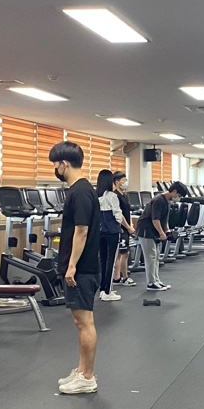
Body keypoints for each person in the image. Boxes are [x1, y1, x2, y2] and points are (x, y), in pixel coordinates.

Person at [49, 141, 102, 395]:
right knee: (80, 322)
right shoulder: (80, 189)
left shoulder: (80, 192)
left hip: (82, 268)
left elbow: (81, 231)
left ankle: (87, 377)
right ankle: (81, 371)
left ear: (64, 164)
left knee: (85, 322)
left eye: (55, 164)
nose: (55, 169)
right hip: (82, 267)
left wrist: (71, 266)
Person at [135, 182, 187, 292]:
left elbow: (164, 220)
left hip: (153, 230)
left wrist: (167, 231)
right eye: (179, 195)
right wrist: (162, 233)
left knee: (156, 256)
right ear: (174, 191)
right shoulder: (158, 200)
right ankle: (151, 283)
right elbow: (155, 219)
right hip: (146, 230)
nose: (178, 198)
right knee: (151, 257)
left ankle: (156, 280)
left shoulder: (167, 202)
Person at [95, 169, 124, 302]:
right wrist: (120, 225)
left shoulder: (96, 196)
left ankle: (102, 289)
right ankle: (108, 291)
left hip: (100, 231)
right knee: (110, 262)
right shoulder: (112, 196)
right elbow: (117, 214)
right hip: (112, 232)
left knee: (102, 260)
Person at [111, 171, 137, 287]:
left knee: (123, 253)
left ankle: (117, 277)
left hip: (126, 227)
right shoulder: (115, 196)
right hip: (120, 228)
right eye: (123, 180)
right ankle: (123, 277)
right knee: (123, 253)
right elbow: (119, 215)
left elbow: (127, 212)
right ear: (117, 182)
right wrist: (127, 226)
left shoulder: (124, 195)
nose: (126, 182)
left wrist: (131, 225)